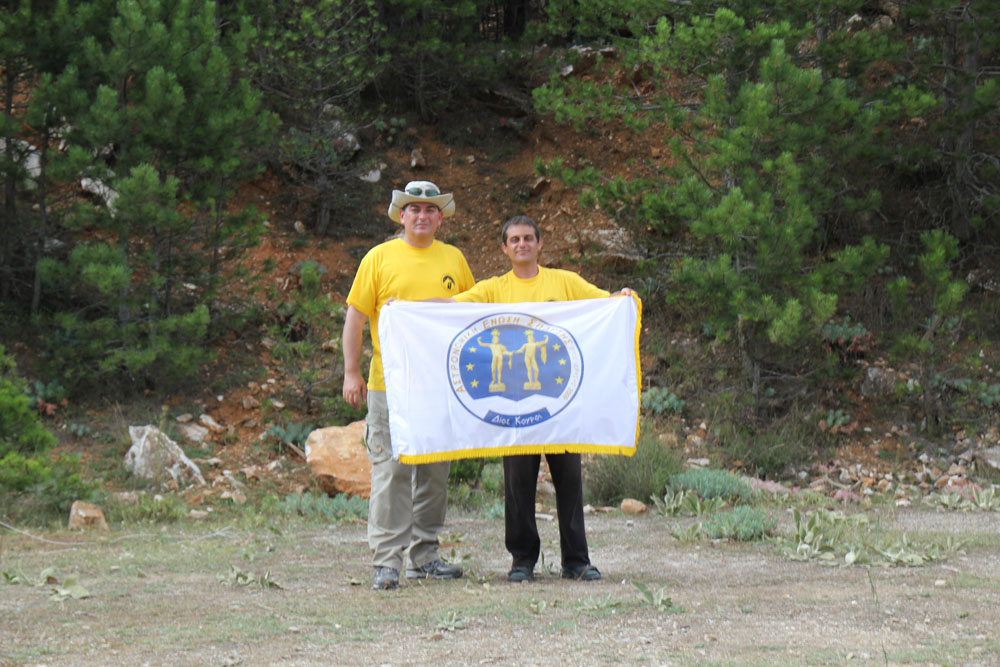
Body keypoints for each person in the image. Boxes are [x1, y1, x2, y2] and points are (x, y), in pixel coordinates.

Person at [452, 215, 634, 583]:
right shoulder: (493, 289)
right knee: (518, 484)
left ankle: (576, 561)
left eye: (528, 238)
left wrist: (622, 298)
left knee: (570, 481)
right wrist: (406, 307)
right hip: (513, 406)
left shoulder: (564, 281)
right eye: (514, 240)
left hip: (560, 402)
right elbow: (448, 308)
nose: (522, 244)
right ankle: (522, 561)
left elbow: (603, 304)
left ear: (540, 244)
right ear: (504, 248)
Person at [342, 180, 475, 591]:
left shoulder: (453, 259)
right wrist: (351, 372)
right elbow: (355, 317)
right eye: (414, 209)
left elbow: (471, 315)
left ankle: (425, 555)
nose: (422, 215)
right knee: (392, 471)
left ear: (440, 218)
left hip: (441, 384)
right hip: (390, 385)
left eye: (430, 209)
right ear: (401, 216)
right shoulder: (378, 258)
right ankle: (387, 561)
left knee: (434, 471)